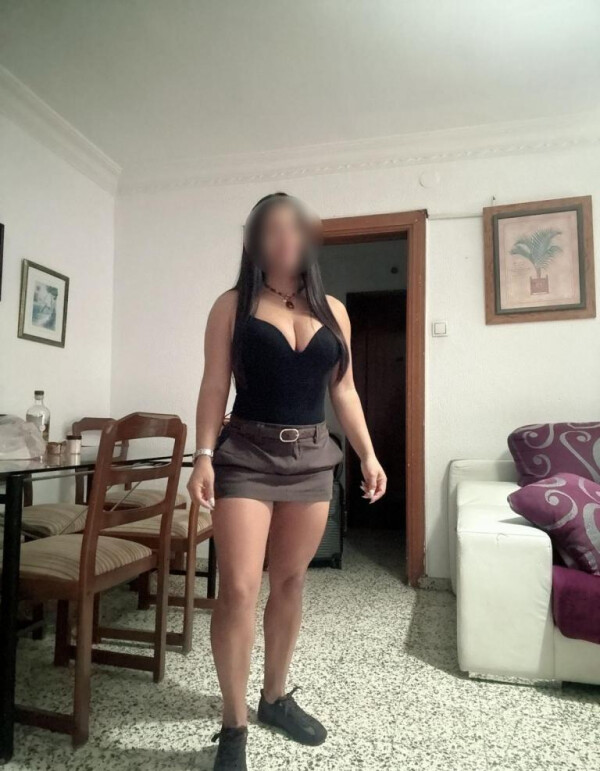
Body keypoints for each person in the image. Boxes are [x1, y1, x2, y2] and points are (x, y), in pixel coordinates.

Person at [187, 192, 387, 770]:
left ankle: (274, 697)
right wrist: (203, 455)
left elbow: (343, 390)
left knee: (292, 580)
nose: (284, 239)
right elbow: (214, 384)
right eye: (271, 229)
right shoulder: (232, 305)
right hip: (245, 455)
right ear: (255, 240)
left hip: (311, 457)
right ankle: (234, 726)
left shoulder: (334, 310)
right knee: (239, 589)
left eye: (294, 228)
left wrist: (368, 454)